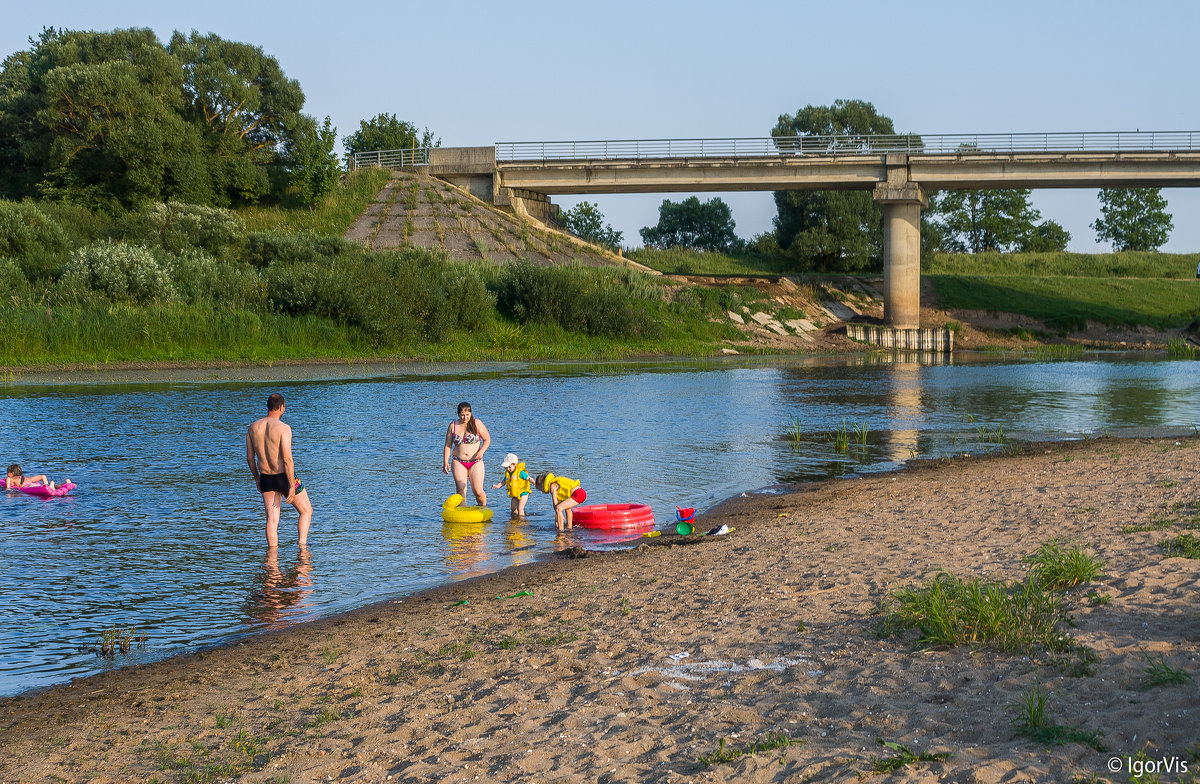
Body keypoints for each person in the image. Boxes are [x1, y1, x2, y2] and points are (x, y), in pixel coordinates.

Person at [246, 393, 313, 548]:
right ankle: (302, 549)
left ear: (268, 406)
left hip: (266, 477)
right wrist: (291, 485)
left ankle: (272, 559)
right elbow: (287, 459)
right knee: (306, 511)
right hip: (284, 476)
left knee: (272, 520)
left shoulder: (253, 428)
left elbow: (250, 458)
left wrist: (257, 478)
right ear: (282, 407)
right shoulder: (284, 428)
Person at [443, 402, 490, 506]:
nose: (465, 417)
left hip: (475, 461)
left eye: (467, 415)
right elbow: (448, 445)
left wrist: (481, 452)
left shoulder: (476, 423)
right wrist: (445, 462)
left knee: (477, 491)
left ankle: (482, 508)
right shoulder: (453, 425)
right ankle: (462, 514)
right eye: (462, 415)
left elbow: (487, 439)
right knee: (461, 490)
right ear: (458, 414)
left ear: (471, 413)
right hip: (458, 461)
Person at [491, 453, 531, 517]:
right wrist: (497, 486)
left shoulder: (520, 472)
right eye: (506, 467)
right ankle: (514, 520)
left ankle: (522, 521)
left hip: (523, 493)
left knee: (520, 508)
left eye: (509, 467)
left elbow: (528, 478)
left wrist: (535, 483)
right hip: (515, 494)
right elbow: (503, 482)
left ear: (515, 464)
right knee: (513, 510)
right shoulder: (508, 473)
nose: (508, 469)